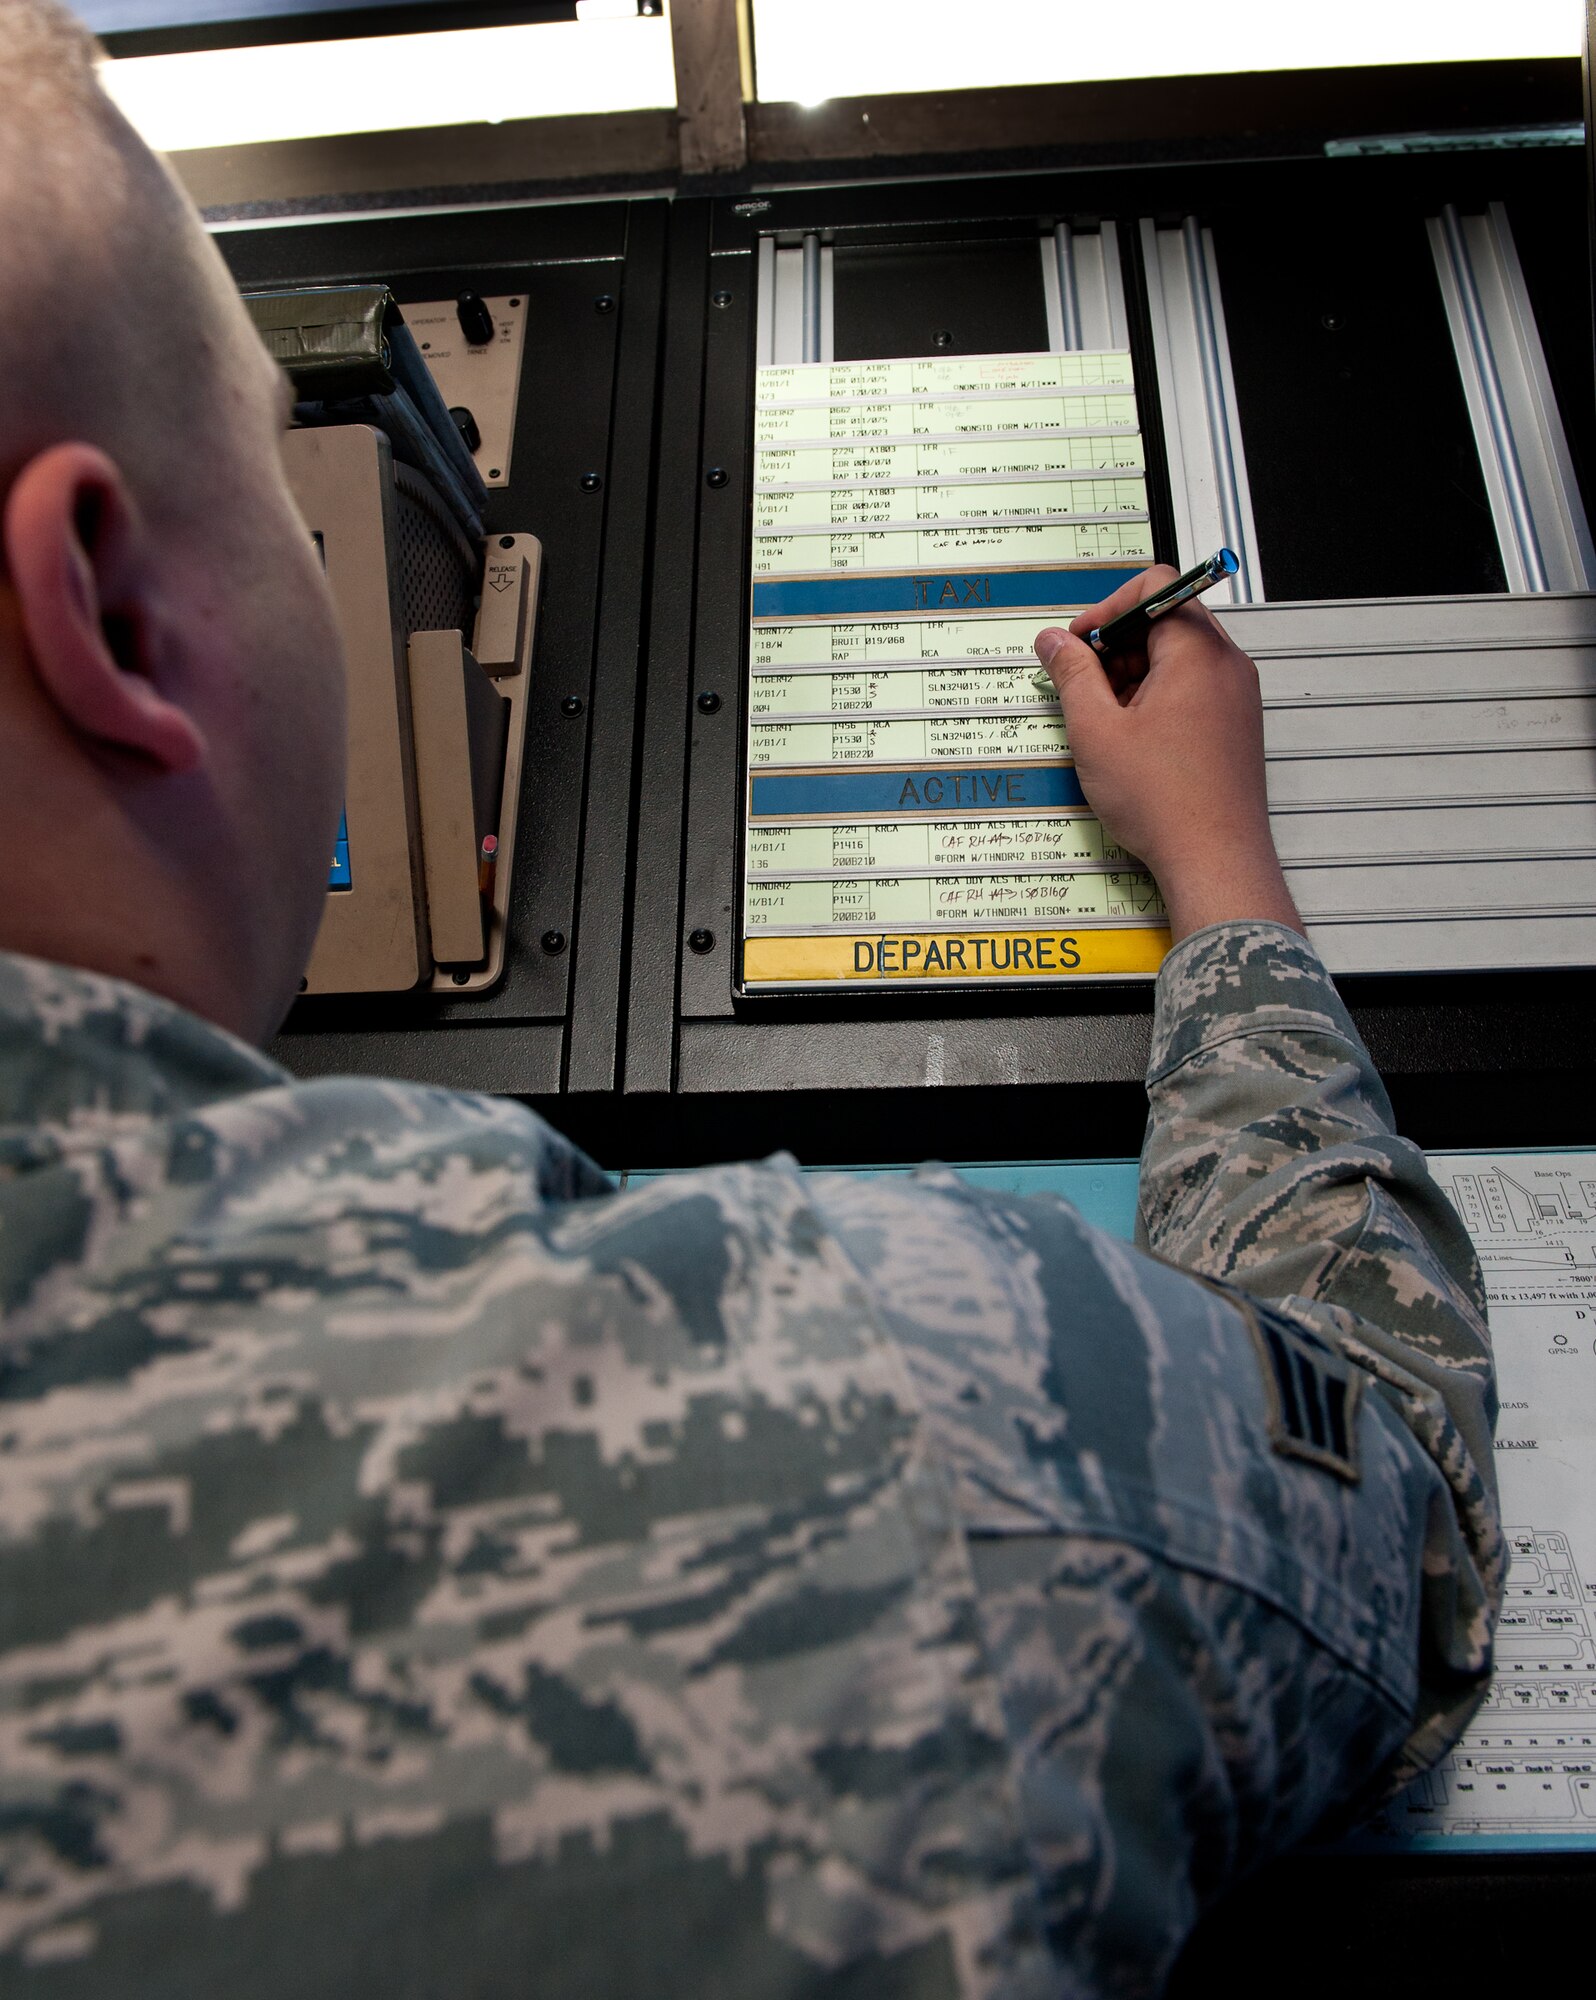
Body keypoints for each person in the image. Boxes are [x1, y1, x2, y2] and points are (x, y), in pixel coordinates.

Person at [0, 6, 1501, 1994]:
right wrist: (1220, 868)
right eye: (275, 478)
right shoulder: (873, 1407)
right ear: (110, 612)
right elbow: (1397, 1495)